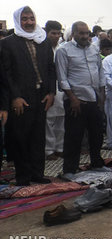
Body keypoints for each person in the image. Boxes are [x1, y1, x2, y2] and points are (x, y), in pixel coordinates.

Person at [0, 7, 56, 185]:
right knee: (20, 137)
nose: (29, 22)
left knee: (38, 137)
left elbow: (50, 69)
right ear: (18, 20)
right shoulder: (8, 43)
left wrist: (51, 92)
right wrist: (15, 97)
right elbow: (6, 74)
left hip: (41, 96)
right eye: (25, 19)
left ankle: (37, 174)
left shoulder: (43, 41)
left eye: (32, 18)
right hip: (21, 98)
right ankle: (23, 177)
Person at [56, 21, 106, 175]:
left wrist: (102, 95)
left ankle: (97, 163)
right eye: (81, 33)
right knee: (74, 137)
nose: (85, 36)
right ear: (73, 34)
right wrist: (73, 98)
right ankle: (70, 169)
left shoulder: (93, 49)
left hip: (94, 99)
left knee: (97, 135)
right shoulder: (63, 51)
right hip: (76, 102)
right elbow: (62, 77)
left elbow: (100, 71)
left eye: (87, 33)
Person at [43, 20, 65, 157]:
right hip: (48, 90)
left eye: (58, 33)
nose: (56, 36)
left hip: (62, 89)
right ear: (46, 33)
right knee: (49, 121)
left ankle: (60, 148)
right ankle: (49, 149)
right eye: (53, 33)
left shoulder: (62, 49)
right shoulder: (41, 48)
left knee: (61, 120)